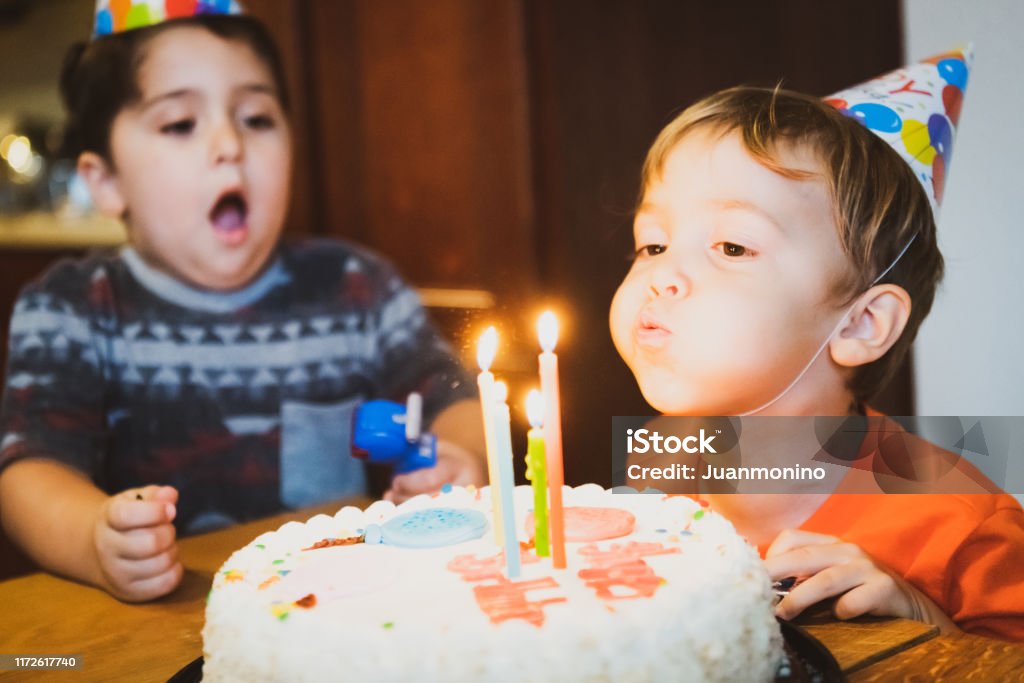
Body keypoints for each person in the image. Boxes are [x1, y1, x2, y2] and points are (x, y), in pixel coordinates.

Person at [0, 1, 485, 603]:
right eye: (180, 124)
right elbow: (30, 469)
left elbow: (456, 400)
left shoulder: (357, 284)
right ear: (106, 181)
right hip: (166, 630)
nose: (229, 144)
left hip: (334, 606)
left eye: (256, 117)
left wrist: (465, 458)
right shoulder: (74, 306)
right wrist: (93, 541)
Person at [610, 49, 1024, 640]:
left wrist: (924, 622)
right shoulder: (657, 459)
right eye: (654, 244)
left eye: (732, 247)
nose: (662, 274)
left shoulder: (966, 529)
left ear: (860, 325)